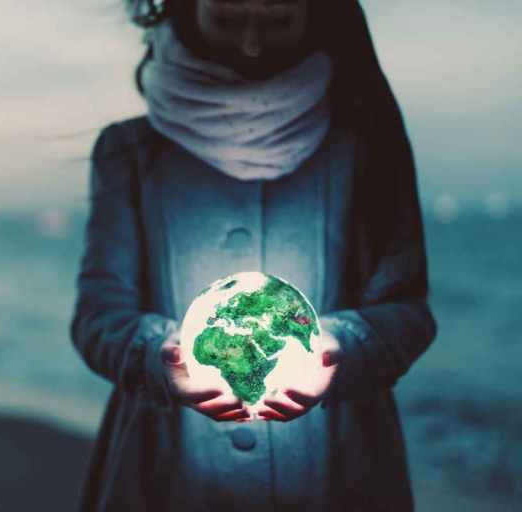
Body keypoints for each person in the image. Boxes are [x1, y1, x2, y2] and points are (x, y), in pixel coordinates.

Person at [69, 0, 438, 510]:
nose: (252, 45)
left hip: (338, 475)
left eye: (279, 21)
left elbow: (409, 311)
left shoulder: (364, 143)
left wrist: (336, 347)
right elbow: (97, 317)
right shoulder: (128, 151)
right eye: (227, 19)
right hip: (165, 474)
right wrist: (161, 355)